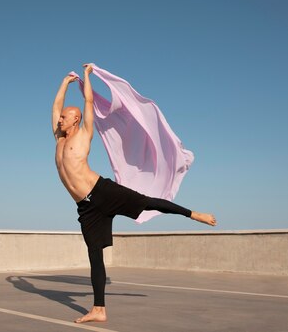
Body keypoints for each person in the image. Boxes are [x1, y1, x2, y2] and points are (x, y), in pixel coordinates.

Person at [52, 63, 217, 324]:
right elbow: (55, 107)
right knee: (95, 255)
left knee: (146, 202)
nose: (60, 119)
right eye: (60, 117)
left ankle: (192, 213)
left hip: (102, 191)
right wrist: (63, 83)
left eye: (65, 116)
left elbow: (89, 100)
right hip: (86, 207)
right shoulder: (58, 139)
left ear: (76, 119)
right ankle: (99, 309)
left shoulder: (84, 134)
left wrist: (86, 77)